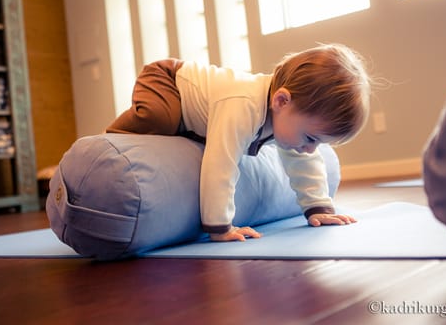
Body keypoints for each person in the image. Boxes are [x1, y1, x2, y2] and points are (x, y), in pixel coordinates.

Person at [106, 43, 372, 242]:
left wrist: (318, 206)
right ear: (281, 101)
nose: (311, 148)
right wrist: (221, 226)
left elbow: (304, 161)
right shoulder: (243, 105)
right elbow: (221, 162)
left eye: (320, 143)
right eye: (311, 138)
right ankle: (112, 139)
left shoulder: (288, 116)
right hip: (168, 82)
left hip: (195, 114)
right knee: (160, 118)